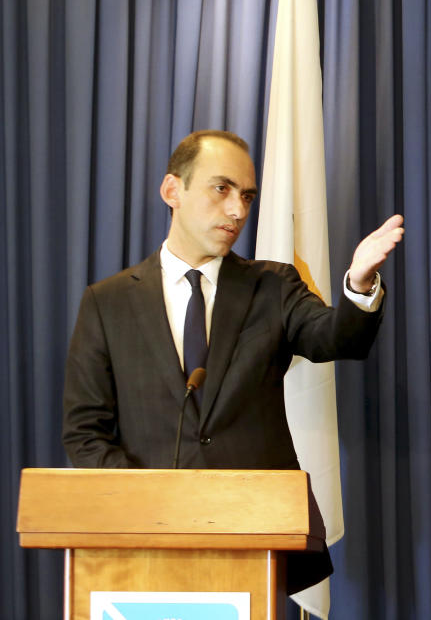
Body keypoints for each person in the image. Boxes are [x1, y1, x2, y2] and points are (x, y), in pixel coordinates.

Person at [62, 130, 404, 587]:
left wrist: (359, 285)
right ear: (172, 191)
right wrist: (147, 502)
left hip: (256, 537)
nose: (237, 210)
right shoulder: (107, 302)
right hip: (144, 544)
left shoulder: (273, 286)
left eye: (246, 195)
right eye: (221, 189)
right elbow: (85, 432)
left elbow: (335, 338)